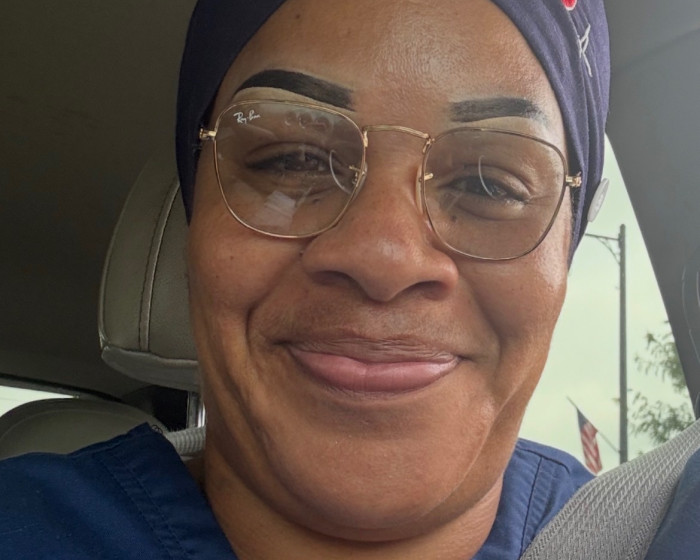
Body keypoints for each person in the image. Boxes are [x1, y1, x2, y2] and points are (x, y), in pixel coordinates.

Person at [0, 0, 610, 558]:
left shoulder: (641, 535)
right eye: (292, 161)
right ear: (195, 219)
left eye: (488, 185)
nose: (384, 258)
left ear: (566, 245)